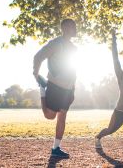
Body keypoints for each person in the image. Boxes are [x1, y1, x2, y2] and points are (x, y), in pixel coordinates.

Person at [33, 19, 77, 158]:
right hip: (55, 86)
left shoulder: (74, 48)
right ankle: (42, 90)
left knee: (62, 117)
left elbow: (73, 68)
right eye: (72, 26)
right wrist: (36, 73)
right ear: (64, 28)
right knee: (50, 116)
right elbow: (38, 56)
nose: (75, 28)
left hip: (68, 90)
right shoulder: (56, 43)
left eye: (75, 26)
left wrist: (73, 88)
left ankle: (56, 148)